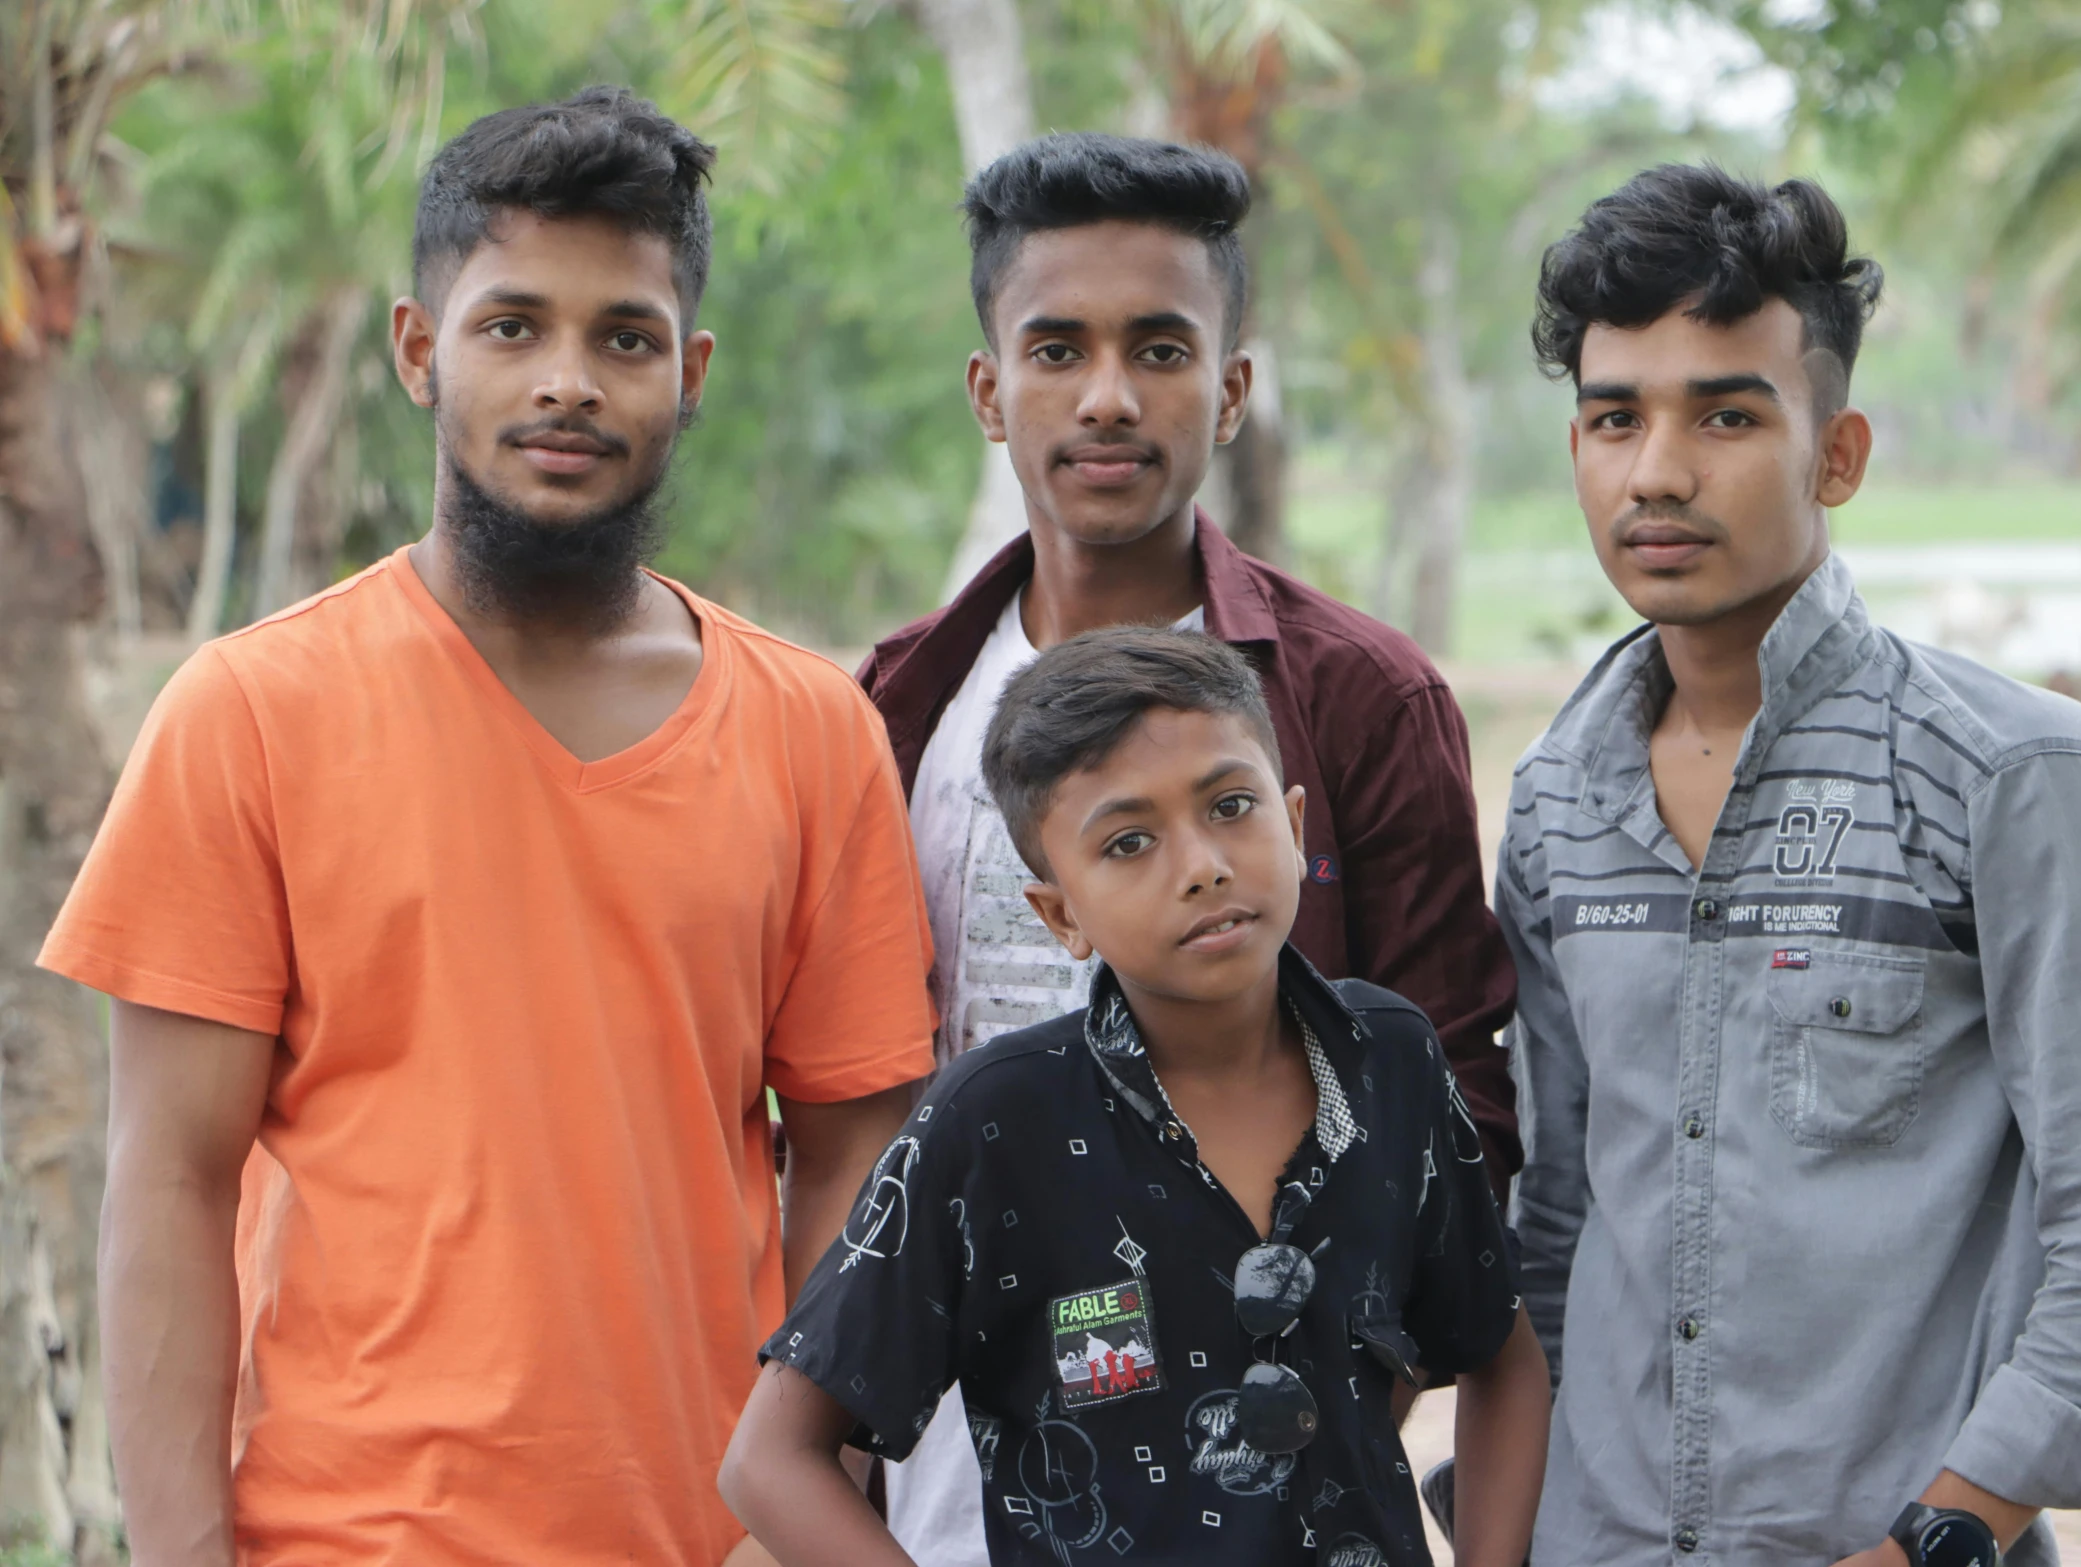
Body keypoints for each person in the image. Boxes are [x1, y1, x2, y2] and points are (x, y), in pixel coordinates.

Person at [43, 88, 937, 1566]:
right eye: (511, 324)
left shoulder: (810, 729)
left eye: (623, 337)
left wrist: (797, 1512)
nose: (568, 380)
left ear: (692, 370)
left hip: (702, 1540)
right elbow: (170, 1180)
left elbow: (847, 1158)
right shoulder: (249, 712)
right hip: (346, 1535)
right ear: (418, 349)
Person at [1497, 162, 2081, 1567]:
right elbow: (1558, 1217)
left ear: (1836, 454)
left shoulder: (2016, 775)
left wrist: (1938, 1537)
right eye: (1613, 417)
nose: (1655, 469)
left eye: (1724, 411)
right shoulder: (1554, 802)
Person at [858, 131, 1521, 1560]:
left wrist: (1325, 1380)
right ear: (989, 388)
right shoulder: (891, 707)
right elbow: (847, 1108)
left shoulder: (1354, 698)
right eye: (1056, 349)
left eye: (1160, 349)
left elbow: (1463, 1099)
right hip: (941, 1500)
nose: (1108, 396)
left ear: (1228, 387)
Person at [721, 628, 1552, 1567]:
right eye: (1128, 842)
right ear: (1061, 912)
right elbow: (769, 1460)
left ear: (1296, 822)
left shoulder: (1390, 1060)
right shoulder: (997, 1121)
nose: (1200, 863)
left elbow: (1502, 1354)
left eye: (1231, 805)